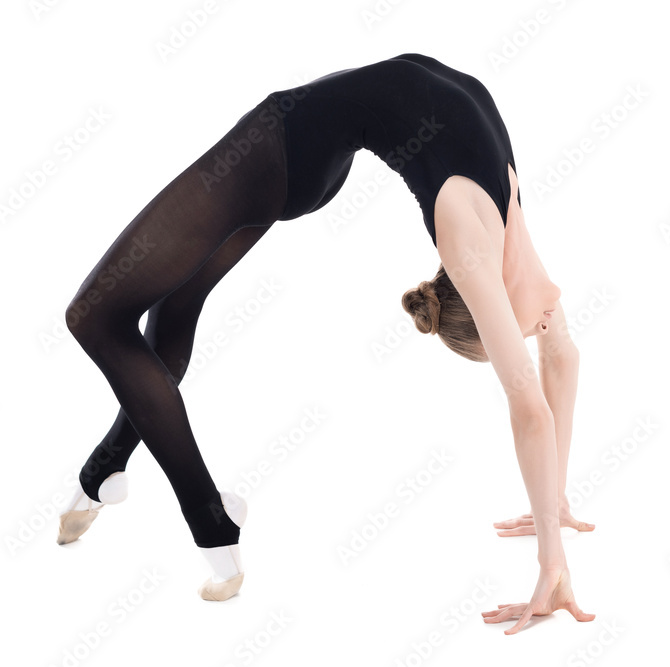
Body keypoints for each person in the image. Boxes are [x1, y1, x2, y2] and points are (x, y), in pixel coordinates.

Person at [56, 52, 594, 632]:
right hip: (306, 151)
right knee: (176, 304)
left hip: (278, 149)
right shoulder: (510, 242)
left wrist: (552, 558)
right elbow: (561, 360)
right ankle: (105, 470)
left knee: (93, 315)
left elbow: (531, 406)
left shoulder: (477, 241)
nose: (537, 330)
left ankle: (211, 520)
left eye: (511, 336)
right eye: (512, 335)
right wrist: (555, 502)